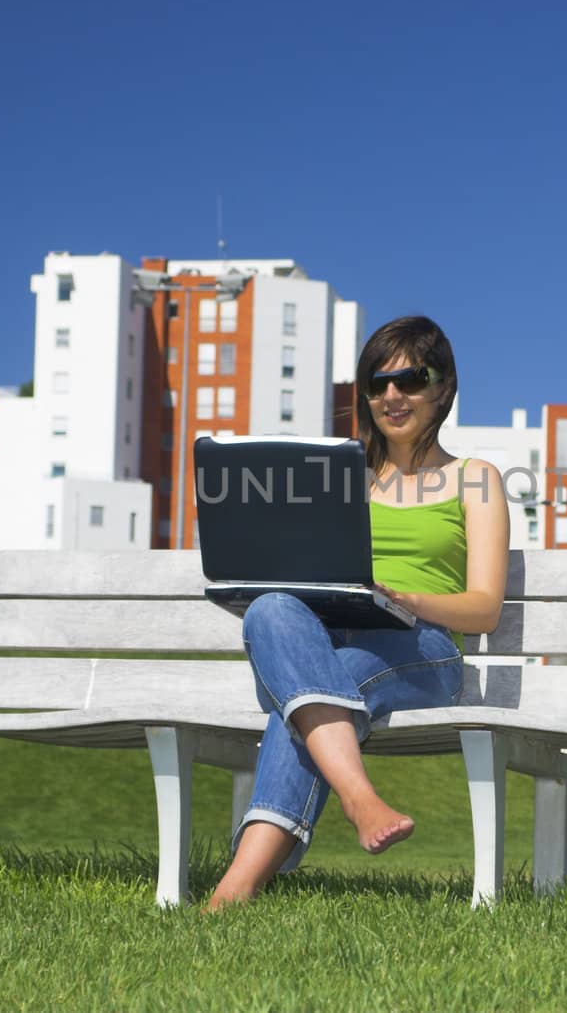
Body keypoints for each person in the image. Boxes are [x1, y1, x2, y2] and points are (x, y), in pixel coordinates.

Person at [205, 315, 510, 910]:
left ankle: (234, 888)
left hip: (423, 649)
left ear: (441, 387)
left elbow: (485, 608)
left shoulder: (475, 479)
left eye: (410, 379)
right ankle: (358, 796)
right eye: (377, 383)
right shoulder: (340, 479)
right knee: (270, 609)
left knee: (307, 700)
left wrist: (408, 599)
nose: (392, 396)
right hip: (325, 638)